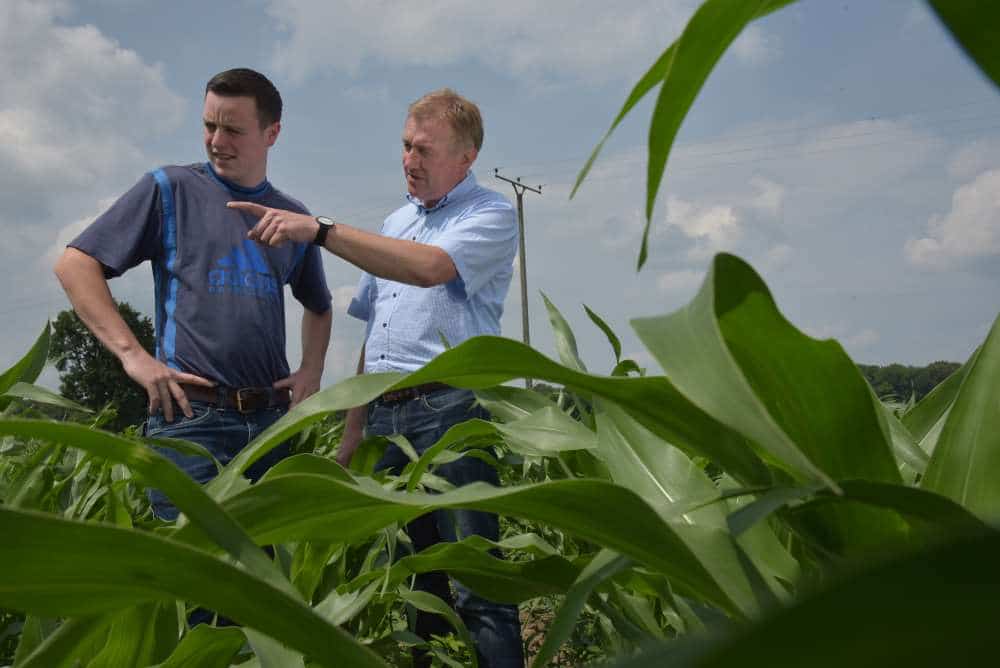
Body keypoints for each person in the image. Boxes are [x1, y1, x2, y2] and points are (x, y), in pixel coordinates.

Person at [228, 88, 523, 668]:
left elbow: (430, 269)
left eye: (425, 150)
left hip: (452, 413)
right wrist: (353, 431)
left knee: (478, 585)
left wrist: (319, 230)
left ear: (465, 158)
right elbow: (377, 334)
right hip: (387, 415)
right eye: (406, 146)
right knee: (416, 583)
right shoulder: (397, 221)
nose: (410, 160)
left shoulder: (489, 214)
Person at [54, 68, 332, 521]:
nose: (217, 140)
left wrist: (312, 370)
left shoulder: (293, 217)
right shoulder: (170, 189)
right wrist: (133, 356)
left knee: (272, 573)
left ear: (272, 133)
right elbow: (75, 264)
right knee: (192, 576)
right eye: (209, 125)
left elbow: (318, 305)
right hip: (192, 421)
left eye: (233, 130)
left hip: (271, 425)